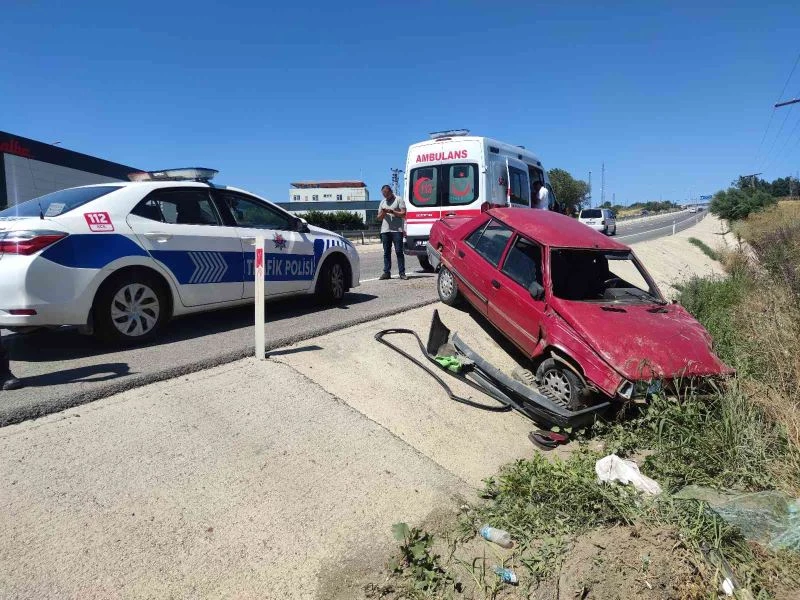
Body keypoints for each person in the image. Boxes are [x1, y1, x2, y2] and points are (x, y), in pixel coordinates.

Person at [377, 184, 407, 280]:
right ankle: (386, 272)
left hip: (397, 230)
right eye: (383, 194)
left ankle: (402, 273)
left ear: (390, 191)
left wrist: (392, 211)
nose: (385, 196)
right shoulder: (382, 202)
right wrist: (383, 212)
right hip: (385, 231)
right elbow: (379, 218)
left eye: (386, 193)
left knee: (399, 251)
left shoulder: (399, 199)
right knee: (386, 252)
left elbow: (403, 214)